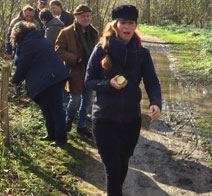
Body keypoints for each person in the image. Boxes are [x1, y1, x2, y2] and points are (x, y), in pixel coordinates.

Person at [85, 5, 161, 196]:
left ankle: (116, 190)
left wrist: (155, 102)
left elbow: (152, 81)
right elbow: (88, 81)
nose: (127, 27)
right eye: (123, 23)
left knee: (123, 163)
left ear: (136, 25)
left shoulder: (142, 53)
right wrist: (108, 83)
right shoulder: (101, 50)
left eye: (131, 23)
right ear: (115, 24)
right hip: (104, 118)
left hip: (130, 119)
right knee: (112, 169)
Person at [10, 21, 69, 147]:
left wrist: (15, 80)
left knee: (55, 108)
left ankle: (61, 138)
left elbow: (23, 65)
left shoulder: (28, 44)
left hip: (49, 79)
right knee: (47, 107)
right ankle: (51, 134)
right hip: (54, 77)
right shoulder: (40, 38)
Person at [55, 5, 98, 137]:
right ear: (76, 17)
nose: (86, 18)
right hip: (74, 72)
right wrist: (75, 59)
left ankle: (82, 125)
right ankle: (69, 118)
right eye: (83, 16)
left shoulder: (93, 32)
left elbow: (99, 51)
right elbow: (58, 50)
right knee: (75, 99)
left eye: (88, 16)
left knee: (87, 101)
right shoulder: (66, 32)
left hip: (90, 72)